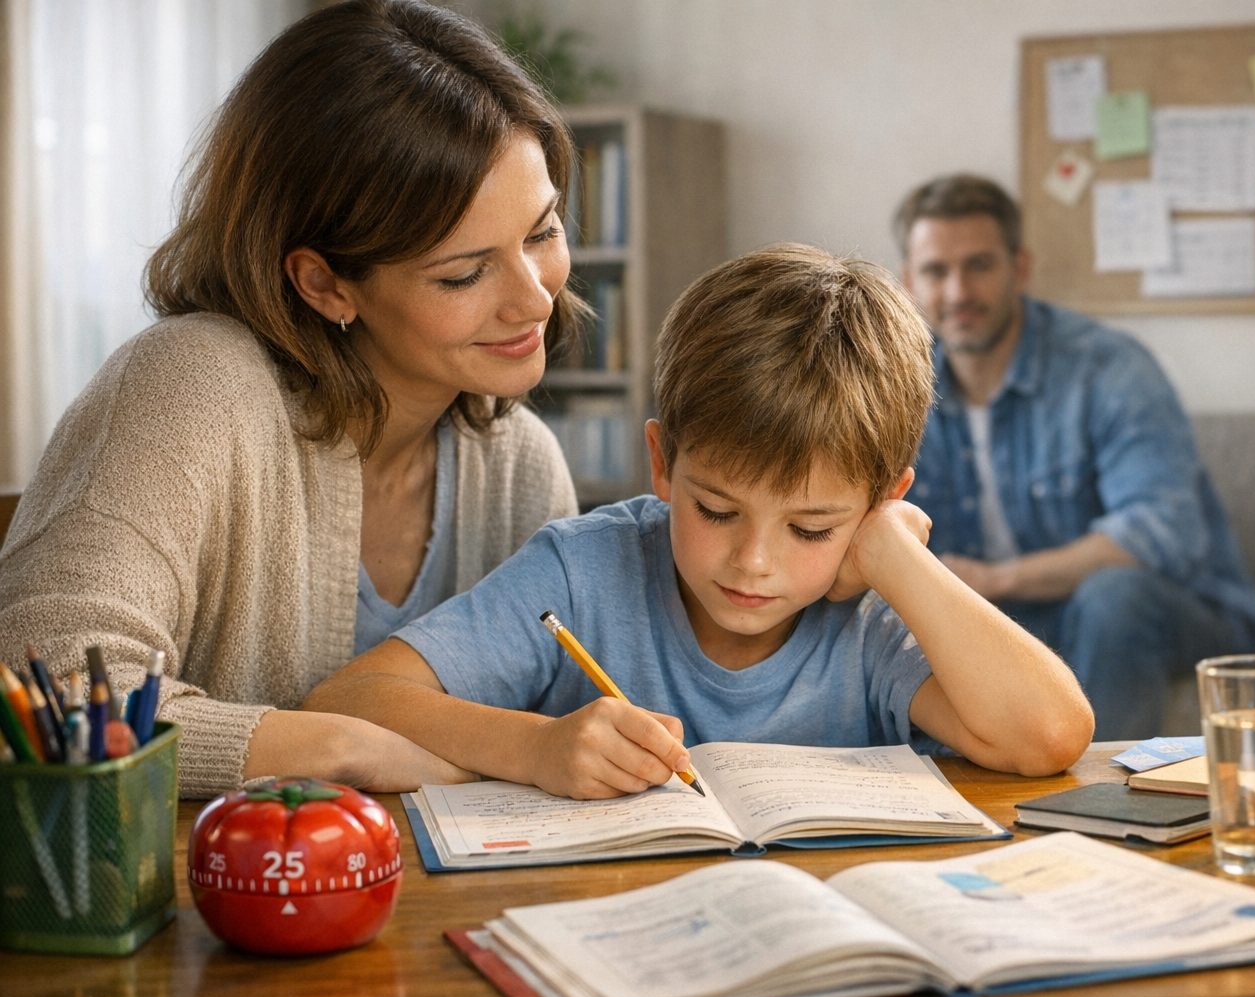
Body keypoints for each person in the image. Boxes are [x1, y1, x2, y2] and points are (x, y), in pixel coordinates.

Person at [0, 0, 584, 797]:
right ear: (323, 282)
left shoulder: (519, 464)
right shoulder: (192, 385)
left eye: (542, 233)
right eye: (463, 273)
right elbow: (42, 682)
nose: (535, 300)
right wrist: (340, 747)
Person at [304, 244, 1094, 798]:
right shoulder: (584, 570)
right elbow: (350, 700)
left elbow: (1051, 734)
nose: (754, 562)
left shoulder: (872, 616)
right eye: (717, 510)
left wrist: (895, 554)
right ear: (662, 464)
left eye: (811, 530)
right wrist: (536, 746)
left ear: (880, 502)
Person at [892, 174, 1255, 741]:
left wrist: (996, 580)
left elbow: (1159, 535)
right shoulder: (899, 385)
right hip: (1018, 621)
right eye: (936, 272)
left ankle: (1101, 803)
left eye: (979, 266)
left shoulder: (1108, 369)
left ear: (1019, 268)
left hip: (1179, 611)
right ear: (908, 281)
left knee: (1111, 595)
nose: (957, 292)